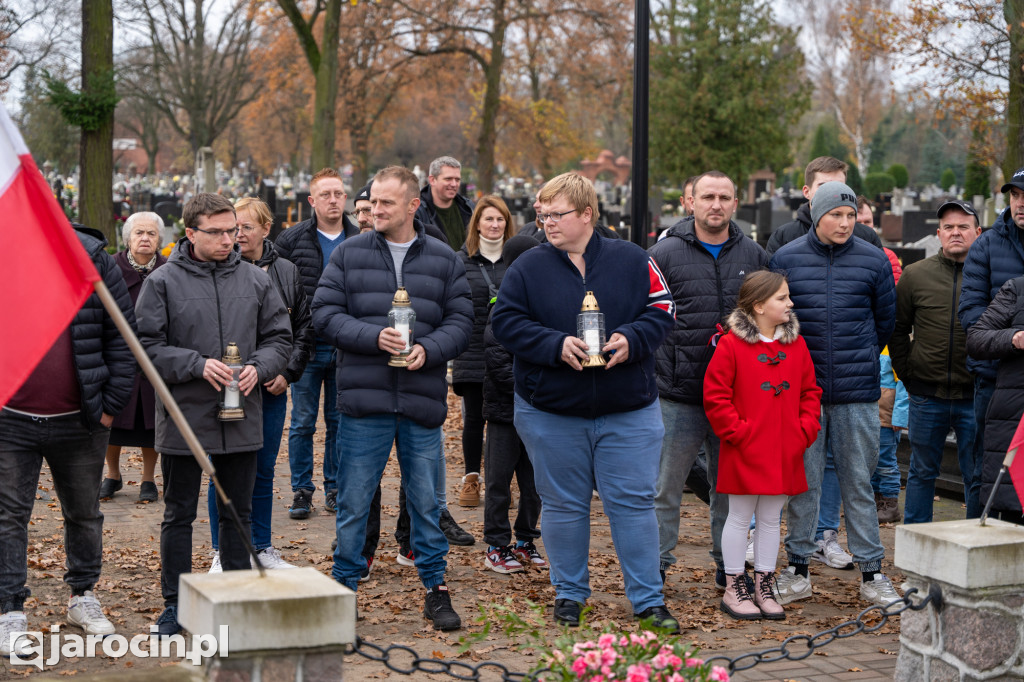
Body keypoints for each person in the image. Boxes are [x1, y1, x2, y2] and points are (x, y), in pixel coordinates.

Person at [491, 172, 679, 631]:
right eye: (543, 215)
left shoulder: (632, 258)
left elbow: (663, 308)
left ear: (587, 214)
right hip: (551, 410)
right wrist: (553, 345)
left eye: (557, 215)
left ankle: (648, 600)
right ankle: (569, 594)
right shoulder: (528, 266)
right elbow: (504, 322)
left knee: (633, 504)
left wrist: (633, 338)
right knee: (562, 505)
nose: (547, 223)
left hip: (627, 408)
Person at [312, 165, 473, 631]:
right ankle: (344, 588)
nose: (374, 210)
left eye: (385, 202)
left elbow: (462, 321)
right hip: (365, 403)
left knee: (426, 502)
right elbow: (324, 312)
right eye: (372, 201)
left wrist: (431, 348)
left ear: (412, 205)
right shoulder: (349, 253)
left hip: (420, 401)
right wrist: (371, 337)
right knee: (354, 502)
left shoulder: (443, 258)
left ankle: (435, 588)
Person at [137, 193, 292, 635]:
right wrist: (196, 364)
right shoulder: (163, 282)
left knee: (237, 512)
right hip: (184, 416)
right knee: (179, 513)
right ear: (190, 233)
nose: (230, 239)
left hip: (241, 416)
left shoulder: (256, 279)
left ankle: (234, 600)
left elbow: (280, 337)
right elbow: (146, 347)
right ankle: (176, 604)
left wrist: (260, 367)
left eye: (234, 231)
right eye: (218, 232)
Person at [0, 224, 136, 653]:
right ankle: (9, 609)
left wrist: (109, 406)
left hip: (80, 419)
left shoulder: (92, 260)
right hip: (10, 421)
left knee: (83, 513)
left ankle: (83, 595)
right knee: (8, 517)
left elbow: (122, 335)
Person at [769, 181, 901, 607]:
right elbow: (777, 318)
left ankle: (872, 572)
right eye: (836, 215)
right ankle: (798, 569)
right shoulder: (786, 259)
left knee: (858, 483)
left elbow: (885, 321)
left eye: (850, 216)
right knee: (804, 483)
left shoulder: (873, 260)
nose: (845, 223)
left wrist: (859, 356)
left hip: (856, 393)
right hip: (802, 393)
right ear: (817, 215)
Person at [647, 171, 768, 588]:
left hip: (735, 396)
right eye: (708, 196)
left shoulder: (754, 255)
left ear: (735, 203)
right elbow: (646, 315)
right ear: (690, 202)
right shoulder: (663, 254)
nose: (716, 204)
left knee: (729, 489)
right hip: (678, 393)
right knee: (666, 487)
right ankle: (656, 565)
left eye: (724, 197)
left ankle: (727, 565)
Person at [704, 271, 821, 621]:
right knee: (740, 517)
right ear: (758, 306)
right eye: (782, 298)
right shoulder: (731, 345)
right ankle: (734, 587)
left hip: (785, 447)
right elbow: (716, 396)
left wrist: (803, 432)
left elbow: (810, 392)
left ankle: (763, 586)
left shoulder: (796, 345)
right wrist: (740, 434)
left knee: (771, 519)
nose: (790, 303)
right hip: (744, 447)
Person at [205, 197, 312, 571]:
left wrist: (287, 372)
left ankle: (261, 547)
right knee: (222, 470)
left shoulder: (287, 271)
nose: (237, 235)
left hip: (270, 387)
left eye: (246, 227)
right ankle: (221, 550)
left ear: (267, 229)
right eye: (233, 228)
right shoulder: (217, 269)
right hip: (228, 387)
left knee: (263, 469)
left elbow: (301, 328)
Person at [274, 168, 358, 518]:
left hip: (346, 346)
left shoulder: (360, 239)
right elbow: (276, 289)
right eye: (325, 194)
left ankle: (335, 488)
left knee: (339, 421)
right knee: (303, 422)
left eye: (338, 194)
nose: (333, 200)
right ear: (312, 200)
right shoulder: (292, 240)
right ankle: (301, 489)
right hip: (306, 347)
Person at [891, 199, 981, 524]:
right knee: (921, 471)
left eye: (963, 227)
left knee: (977, 474)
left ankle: (976, 541)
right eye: (949, 227)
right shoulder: (915, 275)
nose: (956, 232)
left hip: (975, 396)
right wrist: (910, 375)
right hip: (926, 396)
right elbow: (898, 329)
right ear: (939, 233)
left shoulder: (989, 277)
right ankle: (917, 540)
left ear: (978, 232)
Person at [959, 169, 1024, 518]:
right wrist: (1014, 338)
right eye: (1015, 195)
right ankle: (978, 539)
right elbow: (971, 316)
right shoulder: (986, 245)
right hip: (995, 379)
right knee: (985, 472)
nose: (1021, 203)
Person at [481, 234, 546, 574]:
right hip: (505, 411)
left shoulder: (544, 300)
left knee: (534, 483)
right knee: (499, 482)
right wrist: (532, 390)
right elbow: (498, 359)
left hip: (538, 410)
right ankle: (496, 544)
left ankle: (526, 539)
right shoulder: (502, 303)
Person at [101, 212, 167, 503]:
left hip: (154, 357)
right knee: (112, 420)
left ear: (159, 239)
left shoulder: (168, 270)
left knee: (150, 422)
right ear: (128, 238)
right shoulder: (110, 267)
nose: (145, 238)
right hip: (117, 357)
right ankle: (112, 474)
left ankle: (148, 479)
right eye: (139, 233)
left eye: (151, 233)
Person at [453, 196, 515, 507]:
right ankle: (471, 479)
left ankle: (500, 483)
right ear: (477, 223)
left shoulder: (516, 260)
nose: (494, 225)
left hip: (508, 353)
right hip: (473, 351)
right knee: (474, 420)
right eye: (488, 219)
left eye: (500, 219)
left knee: (506, 421)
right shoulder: (460, 260)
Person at [966, 273, 1024, 522]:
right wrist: (1013, 338)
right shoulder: (1017, 289)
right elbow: (976, 339)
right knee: (1014, 517)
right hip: (1015, 417)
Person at [765, 157, 882, 255]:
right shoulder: (784, 237)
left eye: (838, 186)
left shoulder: (866, 236)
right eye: (823, 186)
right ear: (806, 191)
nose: (831, 193)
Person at [415, 156, 475, 248]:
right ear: (432, 180)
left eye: (457, 179)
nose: (454, 184)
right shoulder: (417, 212)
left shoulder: (469, 208)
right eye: (448, 179)